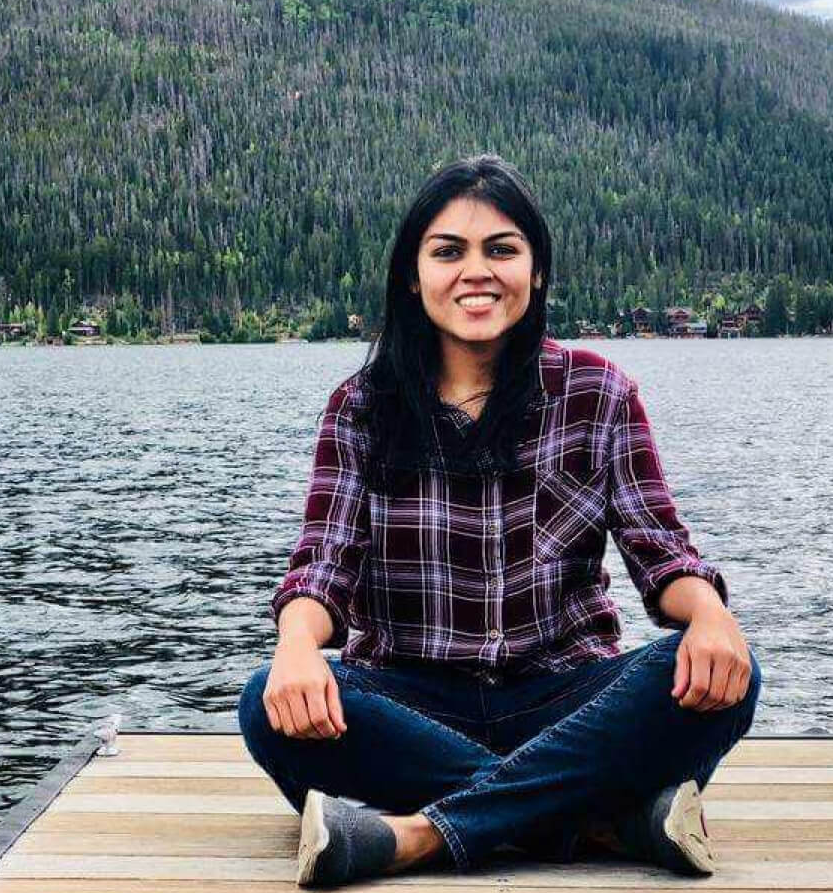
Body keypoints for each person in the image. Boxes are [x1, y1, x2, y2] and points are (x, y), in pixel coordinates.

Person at [236, 154, 760, 888]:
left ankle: (417, 835)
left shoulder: (597, 391)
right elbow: (324, 561)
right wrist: (295, 644)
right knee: (268, 703)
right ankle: (600, 823)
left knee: (721, 671)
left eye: (501, 250)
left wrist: (708, 615)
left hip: (566, 697)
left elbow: (660, 548)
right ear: (412, 278)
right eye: (448, 251)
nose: (475, 271)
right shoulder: (361, 405)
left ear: (536, 271)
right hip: (409, 700)